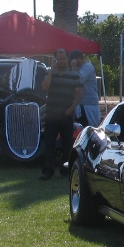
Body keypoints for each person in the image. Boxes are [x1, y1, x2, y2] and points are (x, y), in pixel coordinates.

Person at [39, 48, 82, 180]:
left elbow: (79, 94)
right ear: (56, 60)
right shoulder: (50, 73)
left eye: (64, 59)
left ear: (67, 59)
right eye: (59, 59)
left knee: (67, 144)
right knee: (49, 143)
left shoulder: (74, 75)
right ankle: (48, 171)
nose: (62, 61)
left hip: (66, 114)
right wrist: (51, 71)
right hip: (51, 114)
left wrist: (71, 108)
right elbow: (44, 87)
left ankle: (65, 171)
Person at [68, 50, 100, 126]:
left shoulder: (88, 67)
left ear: (78, 58)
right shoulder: (80, 68)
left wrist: (74, 67)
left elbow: (78, 80)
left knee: (90, 126)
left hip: (89, 104)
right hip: (81, 103)